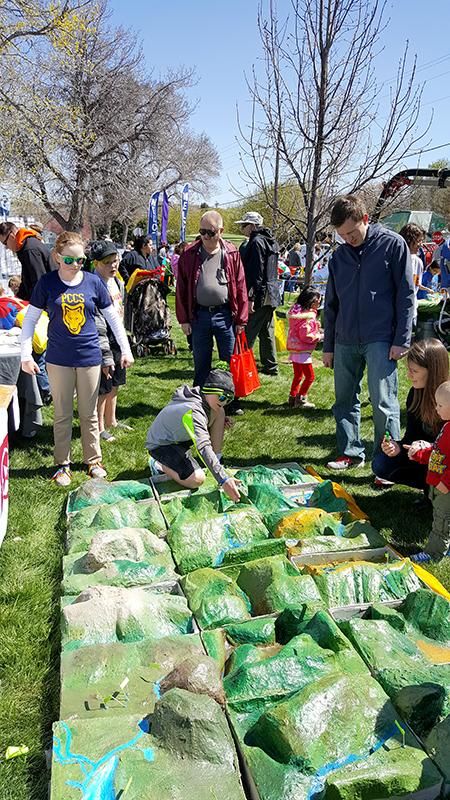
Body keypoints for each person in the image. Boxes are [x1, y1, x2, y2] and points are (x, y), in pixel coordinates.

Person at [20, 231, 134, 486]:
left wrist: (125, 350)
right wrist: (25, 355)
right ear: (58, 257)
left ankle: (93, 460)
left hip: (90, 357)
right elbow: (30, 320)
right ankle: (62, 464)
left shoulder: (94, 283)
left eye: (80, 260)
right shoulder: (47, 283)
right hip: (58, 359)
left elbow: (113, 318)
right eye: (69, 260)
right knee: (61, 414)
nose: (75, 265)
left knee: (89, 414)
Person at [323, 194, 415, 470]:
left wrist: (402, 339)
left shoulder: (392, 245)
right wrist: (328, 346)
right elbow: (331, 303)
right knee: (344, 401)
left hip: (381, 338)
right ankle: (350, 452)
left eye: (351, 232)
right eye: (341, 235)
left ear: (365, 218)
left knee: (383, 402)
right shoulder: (339, 257)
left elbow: (406, 296)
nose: (347, 239)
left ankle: (386, 463)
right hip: (345, 338)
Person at [175, 211, 248, 388]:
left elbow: (240, 286)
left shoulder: (231, 253)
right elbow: (181, 289)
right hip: (199, 316)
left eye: (211, 232)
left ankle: (230, 400)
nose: (206, 236)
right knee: (201, 364)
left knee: (229, 362)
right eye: (203, 232)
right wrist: (184, 319)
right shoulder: (189, 254)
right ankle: (200, 402)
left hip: (225, 315)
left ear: (221, 230)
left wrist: (241, 320)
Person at [146, 368, 241, 501]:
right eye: (222, 396)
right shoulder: (194, 410)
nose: (224, 401)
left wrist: (214, 422)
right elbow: (203, 446)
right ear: (209, 390)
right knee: (197, 479)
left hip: (180, 440)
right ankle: (157, 464)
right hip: (162, 445)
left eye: (229, 399)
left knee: (220, 413)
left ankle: (217, 460)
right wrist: (223, 479)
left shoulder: (205, 400)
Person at [372, 338, 449, 492]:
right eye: (409, 369)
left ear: (432, 371)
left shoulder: (447, 397)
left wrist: (430, 448)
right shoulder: (415, 394)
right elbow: (411, 437)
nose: (409, 375)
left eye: (414, 371)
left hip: (444, 460)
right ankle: (429, 489)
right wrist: (398, 448)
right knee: (381, 463)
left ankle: (434, 492)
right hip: (425, 457)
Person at [91, 240, 132, 443]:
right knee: (103, 386)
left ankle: (111, 420)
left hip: (117, 337)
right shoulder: (93, 283)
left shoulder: (116, 281)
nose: (113, 266)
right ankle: (98, 428)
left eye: (115, 261)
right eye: (108, 262)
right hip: (102, 340)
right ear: (96, 263)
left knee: (116, 381)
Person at [407, 379, 450, 561]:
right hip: (439, 486)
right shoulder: (447, 426)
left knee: (441, 521)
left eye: (440, 405)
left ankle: (433, 553)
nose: (436, 408)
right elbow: (438, 451)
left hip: (445, 489)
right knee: (443, 518)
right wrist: (420, 454)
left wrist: (446, 482)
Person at [235, 211, 280, 376]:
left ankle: (243, 368)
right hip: (272, 294)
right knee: (266, 331)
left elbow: (256, 273)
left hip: (261, 295)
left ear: (253, 225)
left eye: (244, 225)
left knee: (248, 334)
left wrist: (252, 298)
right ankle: (271, 367)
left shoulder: (256, 242)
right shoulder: (271, 241)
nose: (242, 229)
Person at [287, 286, 323, 409]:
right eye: (317, 301)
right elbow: (306, 335)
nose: (319, 303)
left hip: (295, 348)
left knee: (298, 375)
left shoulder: (297, 312)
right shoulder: (308, 316)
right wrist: (319, 336)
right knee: (310, 376)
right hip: (303, 351)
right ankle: (301, 399)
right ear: (311, 302)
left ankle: (292, 397)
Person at [0, 221, 54, 300]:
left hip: (48, 300)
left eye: (5, 243)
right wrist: (17, 299)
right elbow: (27, 279)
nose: (6, 247)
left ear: (12, 236)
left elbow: (38, 282)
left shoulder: (30, 249)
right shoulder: (26, 246)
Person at [399, 223, 431, 321]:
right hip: (395, 314)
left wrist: (428, 290)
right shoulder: (396, 259)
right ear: (410, 240)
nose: (421, 245)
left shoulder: (418, 262)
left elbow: (416, 284)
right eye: (419, 241)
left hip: (411, 313)